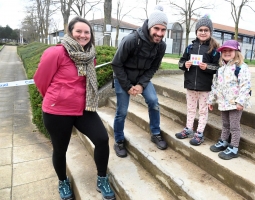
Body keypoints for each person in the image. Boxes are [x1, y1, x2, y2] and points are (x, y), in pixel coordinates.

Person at [33, 17, 115, 200]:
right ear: (70, 32)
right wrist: (57, 99)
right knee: (60, 149)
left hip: (83, 109)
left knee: (102, 139)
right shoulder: (56, 53)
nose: (83, 35)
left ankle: (102, 178)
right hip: (57, 112)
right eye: (79, 31)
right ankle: (62, 181)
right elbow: (40, 81)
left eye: (87, 32)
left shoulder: (89, 56)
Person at [111, 5, 168, 158]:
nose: (159, 33)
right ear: (150, 26)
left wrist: (141, 85)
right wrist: (128, 86)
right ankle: (119, 140)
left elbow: (154, 67)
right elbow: (116, 64)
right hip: (123, 77)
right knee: (122, 111)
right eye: (156, 28)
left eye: (163, 30)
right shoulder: (131, 40)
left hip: (142, 78)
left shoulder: (161, 46)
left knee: (154, 102)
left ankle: (155, 133)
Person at [175, 15, 220, 146]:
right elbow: (180, 63)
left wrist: (207, 67)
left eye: (206, 30)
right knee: (190, 109)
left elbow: (218, 68)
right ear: (196, 32)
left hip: (205, 87)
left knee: (202, 111)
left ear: (210, 32)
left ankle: (199, 133)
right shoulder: (190, 48)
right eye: (200, 30)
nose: (203, 32)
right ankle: (189, 129)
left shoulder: (214, 50)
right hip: (190, 85)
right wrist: (185, 65)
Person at [207, 39, 251, 160]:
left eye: (230, 50)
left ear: (236, 52)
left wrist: (241, 102)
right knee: (225, 124)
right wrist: (211, 100)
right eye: (224, 51)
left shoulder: (241, 68)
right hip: (223, 102)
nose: (226, 53)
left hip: (235, 104)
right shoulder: (220, 69)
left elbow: (245, 85)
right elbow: (215, 86)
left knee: (234, 126)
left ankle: (234, 147)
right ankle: (224, 141)